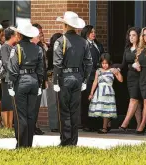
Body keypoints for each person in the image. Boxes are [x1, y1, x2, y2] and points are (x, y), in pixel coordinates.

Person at [53, 11, 92, 146]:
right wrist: (85, 80)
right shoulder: (83, 42)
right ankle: (73, 141)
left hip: (65, 77)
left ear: (64, 25)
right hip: (78, 77)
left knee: (64, 111)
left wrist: (55, 81)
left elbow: (57, 64)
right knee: (74, 111)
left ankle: (65, 141)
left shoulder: (60, 41)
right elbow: (89, 63)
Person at [7, 23, 43, 148]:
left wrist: (11, 84)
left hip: (21, 81)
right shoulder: (38, 48)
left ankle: (21, 145)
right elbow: (41, 69)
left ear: (20, 35)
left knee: (20, 115)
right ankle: (28, 144)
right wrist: (39, 85)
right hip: (34, 81)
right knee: (31, 115)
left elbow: (13, 69)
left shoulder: (16, 49)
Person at [88, 53, 123, 133]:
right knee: (100, 109)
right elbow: (95, 82)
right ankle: (107, 123)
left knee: (106, 110)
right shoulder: (98, 71)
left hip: (108, 92)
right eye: (103, 63)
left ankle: (104, 128)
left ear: (109, 63)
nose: (104, 65)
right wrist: (91, 93)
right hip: (99, 92)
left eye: (106, 63)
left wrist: (117, 72)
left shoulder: (112, 70)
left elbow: (121, 80)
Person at [117, 27, 142, 131]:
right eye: (130, 35)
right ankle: (140, 126)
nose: (131, 37)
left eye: (134, 35)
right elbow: (123, 64)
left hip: (140, 76)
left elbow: (142, 64)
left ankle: (124, 124)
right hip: (130, 77)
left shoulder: (141, 49)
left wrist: (131, 66)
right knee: (137, 102)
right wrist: (115, 68)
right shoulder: (127, 49)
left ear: (138, 36)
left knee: (133, 99)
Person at [80, 25, 104, 132]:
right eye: (91, 32)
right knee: (88, 100)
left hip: (98, 75)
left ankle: (97, 123)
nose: (93, 34)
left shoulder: (98, 45)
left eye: (94, 32)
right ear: (86, 33)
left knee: (97, 100)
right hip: (88, 76)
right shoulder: (83, 44)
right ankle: (87, 123)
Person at [0, 27, 18, 128]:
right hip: (7, 78)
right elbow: (6, 63)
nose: (17, 36)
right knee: (6, 102)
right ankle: (6, 126)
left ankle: (10, 126)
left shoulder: (13, 47)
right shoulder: (4, 47)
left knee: (11, 103)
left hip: (13, 78)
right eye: (15, 34)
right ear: (11, 36)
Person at [32, 23, 48, 135]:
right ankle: (32, 126)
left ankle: (35, 125)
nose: (40, 34)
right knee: (32, 105)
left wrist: (45, 79)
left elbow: (44, 65)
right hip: (32, 79)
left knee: (36, 105)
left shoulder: (41, 46)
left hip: (40, 78)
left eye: (41, 32)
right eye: (39, 32)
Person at [46, 33, 62, 132]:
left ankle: (54, 125)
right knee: (58, 100)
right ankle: (59, 124)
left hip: (50, 74)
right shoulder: (55, 51)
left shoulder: (49, 50)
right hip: (55, 74)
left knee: (52, 100)